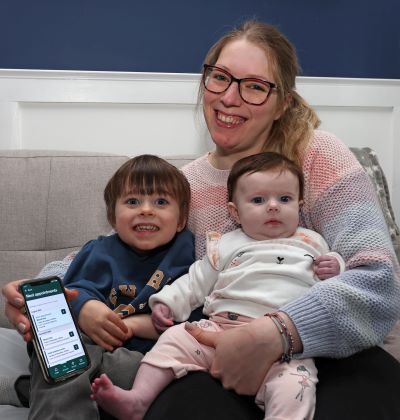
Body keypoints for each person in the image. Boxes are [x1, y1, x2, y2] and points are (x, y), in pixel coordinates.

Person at [3, 19, 400, 420]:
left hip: (327, 351)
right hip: (215, 354)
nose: (229, 98)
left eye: (254, 86)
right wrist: (46, 292)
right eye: (220, 78)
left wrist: (277, 332)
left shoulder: (318, 155)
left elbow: (378, 281)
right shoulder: (186, 185)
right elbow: (110, 250)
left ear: (283, 103)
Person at [90, 151, 345, 420]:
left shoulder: (313, 241)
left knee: (297, 387)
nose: (273, 206)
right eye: (258, 200)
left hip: (285, 347)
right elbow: (195, 280)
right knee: (175, 339)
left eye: (284, 199)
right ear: (235, 211)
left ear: (299, 205)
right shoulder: (225, 244)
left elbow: (340, 286)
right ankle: (138, 399)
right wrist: (167, 303)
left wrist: (337, 266)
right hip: (220, 329)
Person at [2, 154, 195, 419]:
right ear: (113, 218)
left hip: (143, 363)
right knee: (61, 342)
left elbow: (192, 319)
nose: (146, 209)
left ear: (182, 218)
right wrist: (86, 306)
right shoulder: (101, 250)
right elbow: (73, 290)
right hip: (87, 347)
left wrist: (133, 326)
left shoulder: (187, 255)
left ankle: (34, 388)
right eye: (132, 201)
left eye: (161, 202)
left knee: (173, 373)